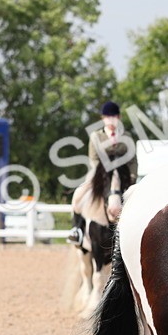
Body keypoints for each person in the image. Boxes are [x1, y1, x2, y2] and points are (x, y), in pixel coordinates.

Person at [69, 101, 132, 245]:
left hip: (123, 176)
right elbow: (94, 159)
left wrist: (132, 176)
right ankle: (76, 229)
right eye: (107, 117)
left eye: (114, 117)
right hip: (100, 174)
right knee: (78, 194)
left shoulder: (126, 136)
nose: (111, 120)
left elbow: (132, 160)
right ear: (102, 119)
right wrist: (103, 176)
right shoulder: (96, 136)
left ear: (119, 118)